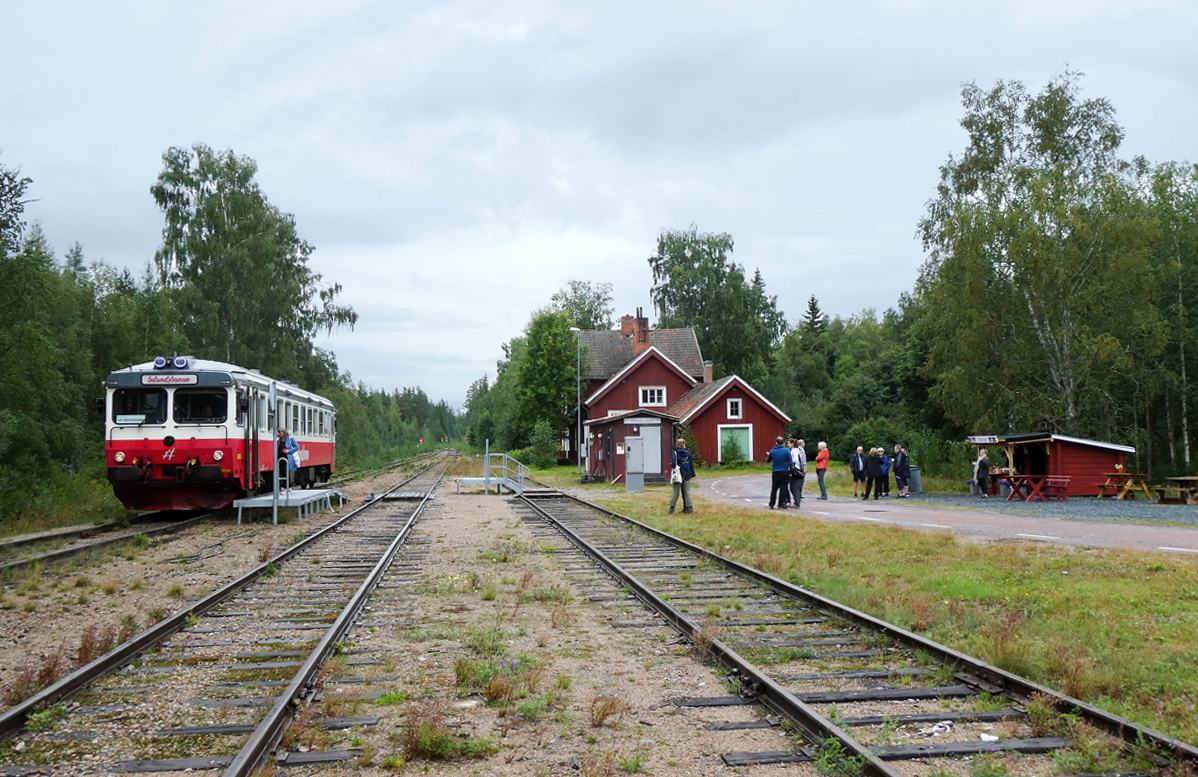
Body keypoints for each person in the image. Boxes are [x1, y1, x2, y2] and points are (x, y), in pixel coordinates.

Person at [669, 438, 695, 515]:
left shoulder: (676, 453)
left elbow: (673, 464)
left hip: (678, 475)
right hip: (687, 474)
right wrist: (692, 474)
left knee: (676, 492)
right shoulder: (688, 453)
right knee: (687, 491)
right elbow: (691, 464)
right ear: (684, 444)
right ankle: (689, 508)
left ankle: (672, 509)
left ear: (677, 444)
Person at [767, 436, 792, 509]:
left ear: (776, 442)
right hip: (784, 471)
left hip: (776, 471)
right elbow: (790, 462)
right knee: (783, 488)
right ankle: (781, 504)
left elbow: (768, 460)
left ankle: (771, 504)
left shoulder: (773, 451)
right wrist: (791, 471)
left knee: (774, 488)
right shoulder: (787, 451)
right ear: (783, 443)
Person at [788, 438, 806, 508]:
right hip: (798, 468)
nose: (788, 445)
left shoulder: (794, 450)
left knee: (794, 487)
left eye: (789, 443)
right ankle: (797, 501)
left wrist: (789, 462)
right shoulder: (798, 450)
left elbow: (795, 460)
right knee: (794, 486)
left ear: (792, 444)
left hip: (795, 469)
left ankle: (797, 502)